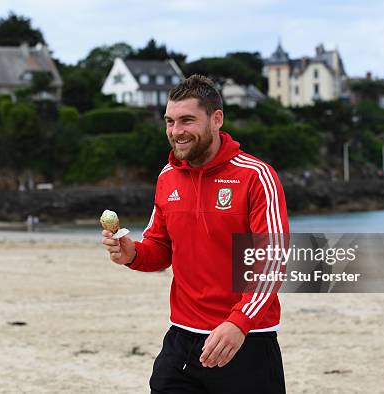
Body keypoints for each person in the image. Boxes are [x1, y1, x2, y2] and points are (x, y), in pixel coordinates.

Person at [101, 75, 289, 393]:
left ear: (216, 119)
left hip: (246, 340)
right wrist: (131, 253)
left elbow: (272, 262)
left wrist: (239, 322)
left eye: (187, 120)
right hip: (182, 339)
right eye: (170, 121)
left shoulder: (256, 176)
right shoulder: (167, 176)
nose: (176, 131)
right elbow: (159, 246)